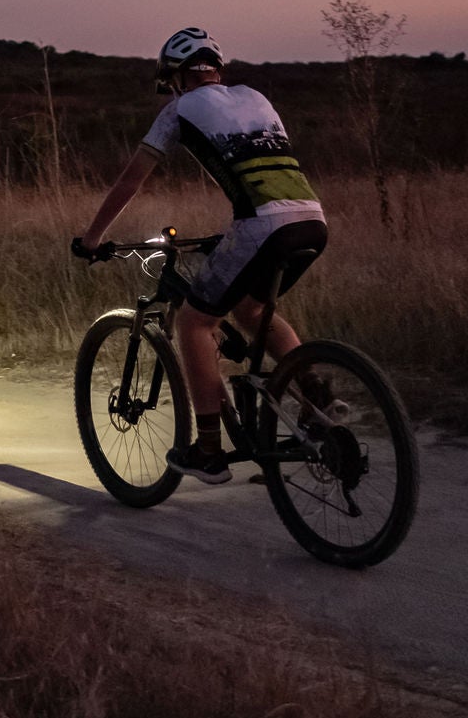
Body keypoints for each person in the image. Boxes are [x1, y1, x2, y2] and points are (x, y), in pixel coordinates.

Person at [70, 27, 328, 484]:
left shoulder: (178, 109)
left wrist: (92, 239)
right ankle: (317, 401)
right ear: (217, 67)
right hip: (311, 219)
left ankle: (208, 448)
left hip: (260, 224)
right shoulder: (257, 96)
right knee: (252, 308)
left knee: (194, 321)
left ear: (174, 76)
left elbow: (131, 181)